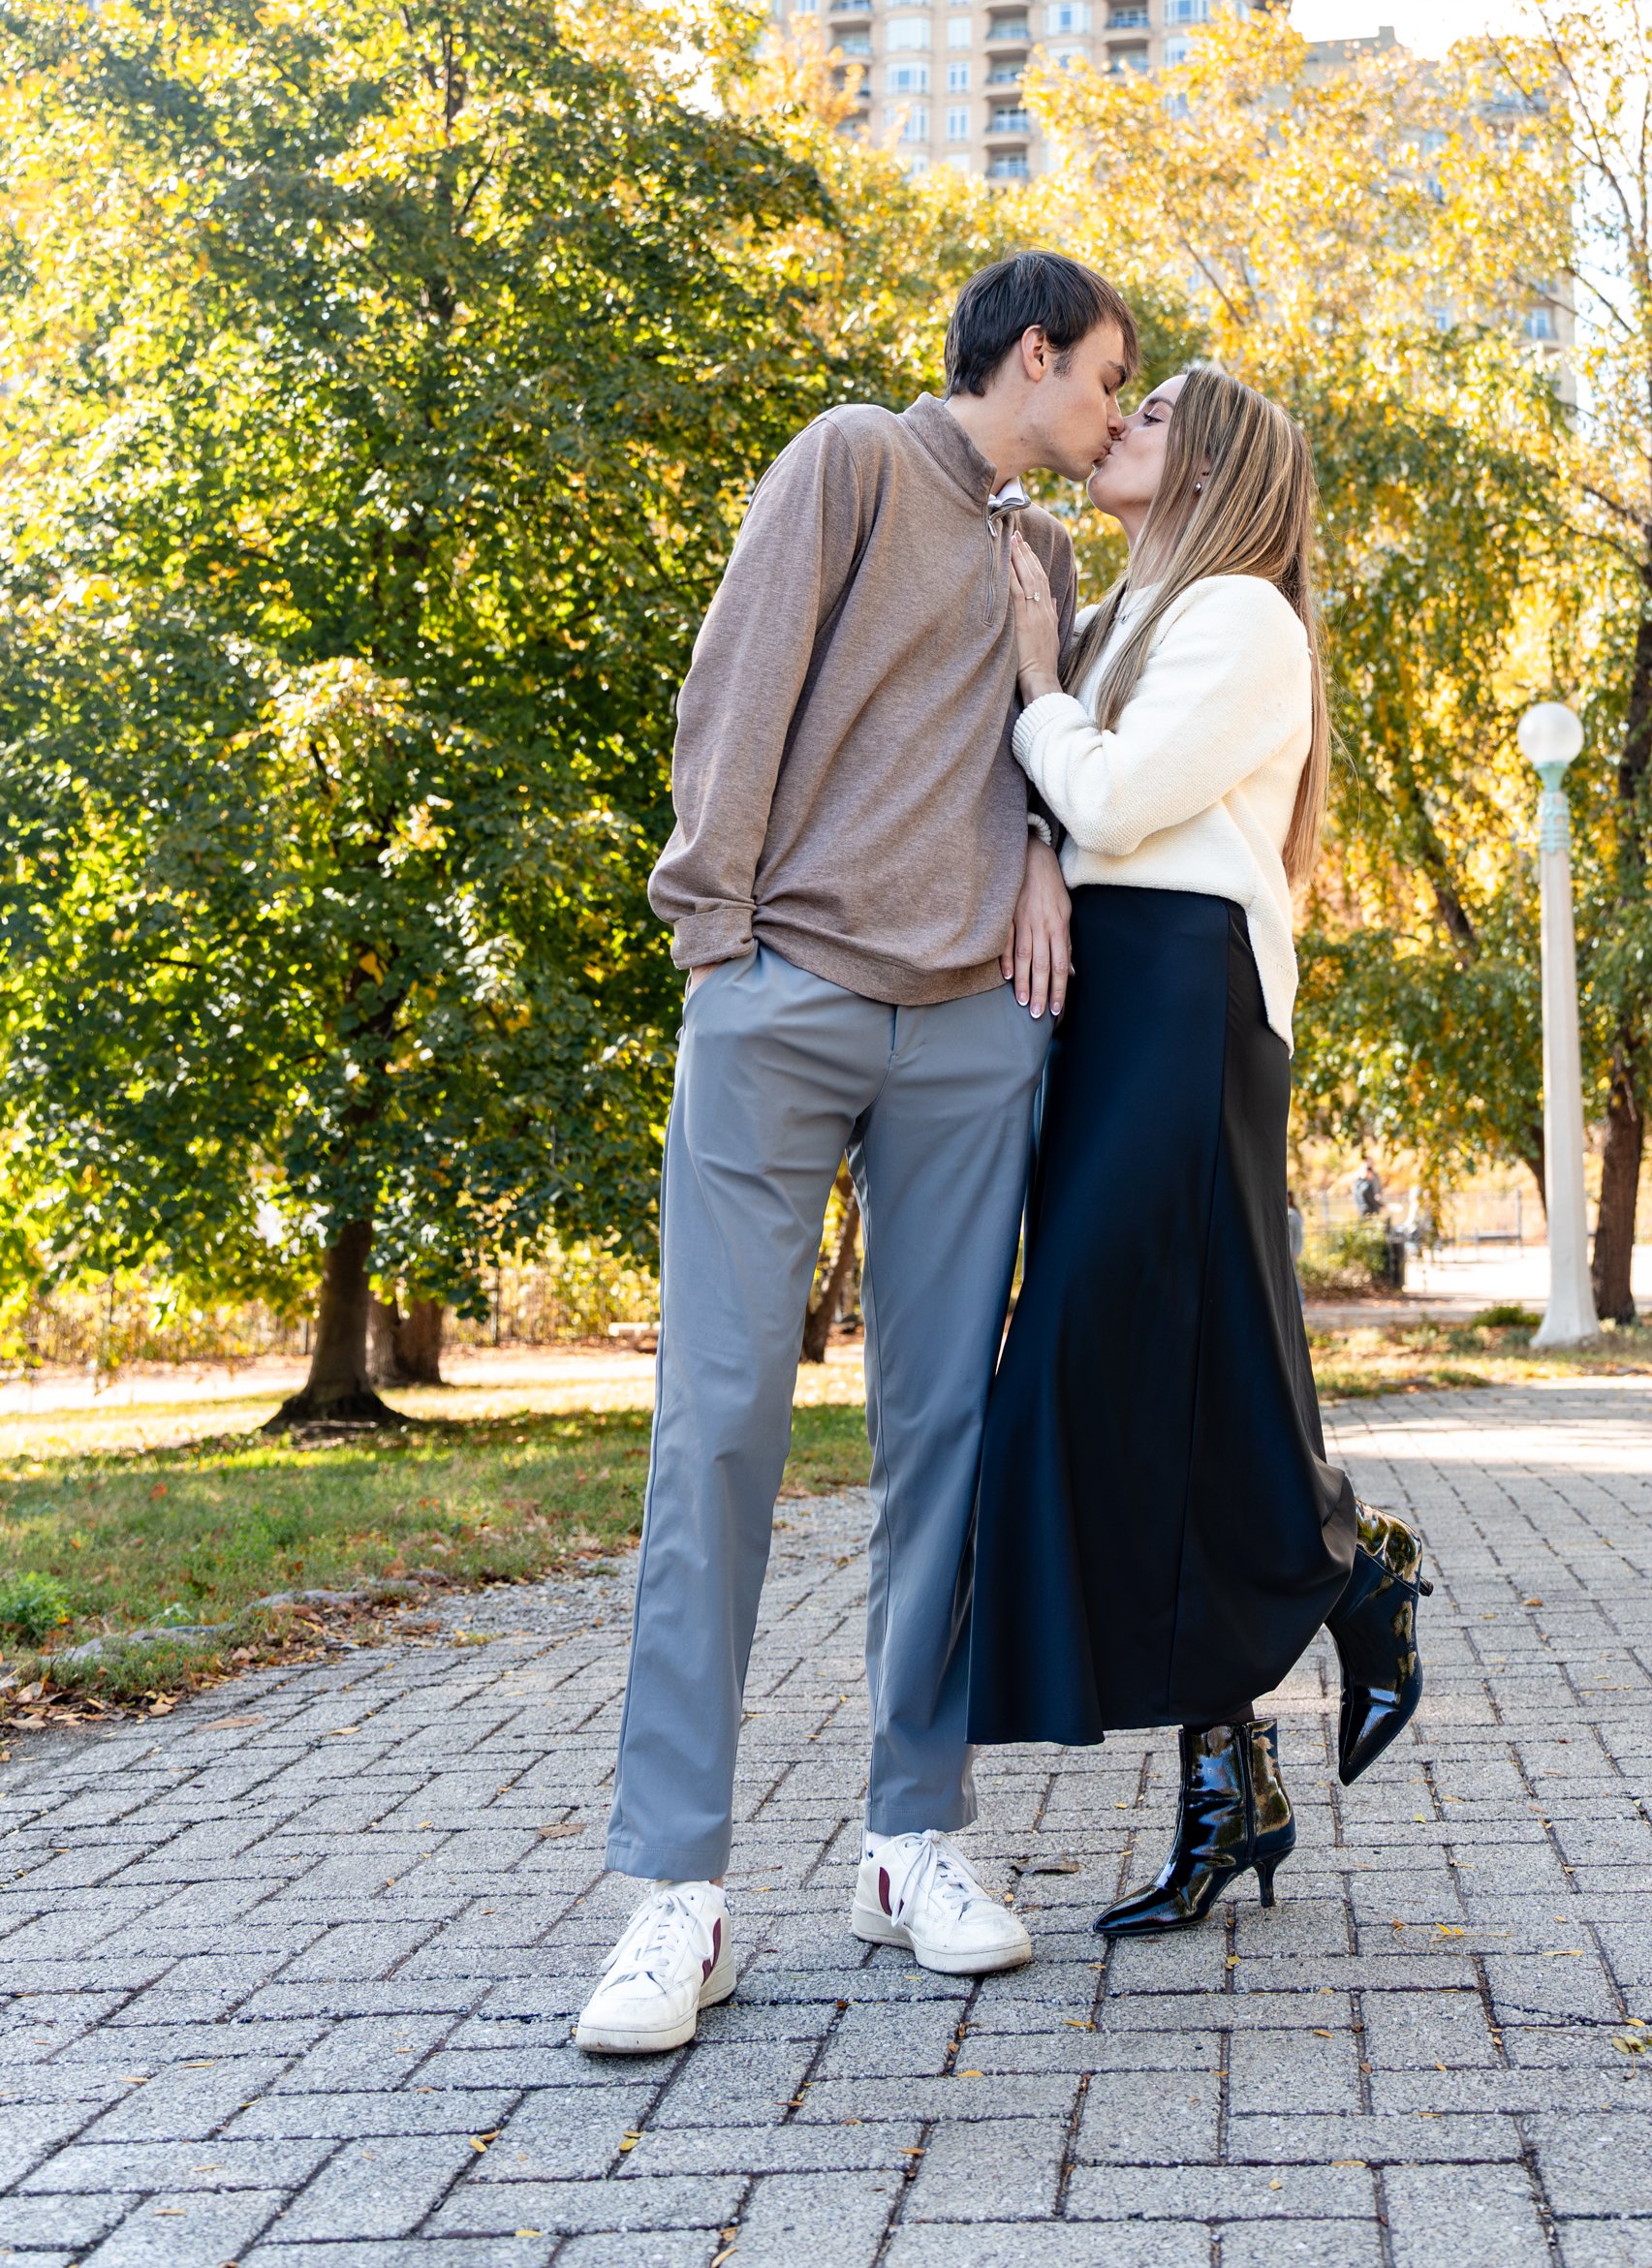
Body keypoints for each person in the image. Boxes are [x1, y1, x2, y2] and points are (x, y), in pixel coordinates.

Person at [575, 253, 1137, 2058]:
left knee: (945, 1438)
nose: (1119, 413)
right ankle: (680, 1891)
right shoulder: (848, 462)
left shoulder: (1042, 555)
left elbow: (1034, 768)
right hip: (786, 995)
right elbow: (735, 696)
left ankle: (913, 1842)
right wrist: (714, 948)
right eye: (1108, 378)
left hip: (975, 1033)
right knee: (721, 1418)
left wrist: (1041, 867)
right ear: (1030, 354)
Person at [967, 365, 1433, 1938]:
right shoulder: (1140, 619)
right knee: (1175, 1371)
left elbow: (1110, 796)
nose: (1121, 423)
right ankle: (1230, 1779)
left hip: (1182, 987)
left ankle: (1351, 1566)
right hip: (1116, 999)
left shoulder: (1241, 616)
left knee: (1104, 1353)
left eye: (1151, 410)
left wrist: (1040, 684)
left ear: (1215, 462)